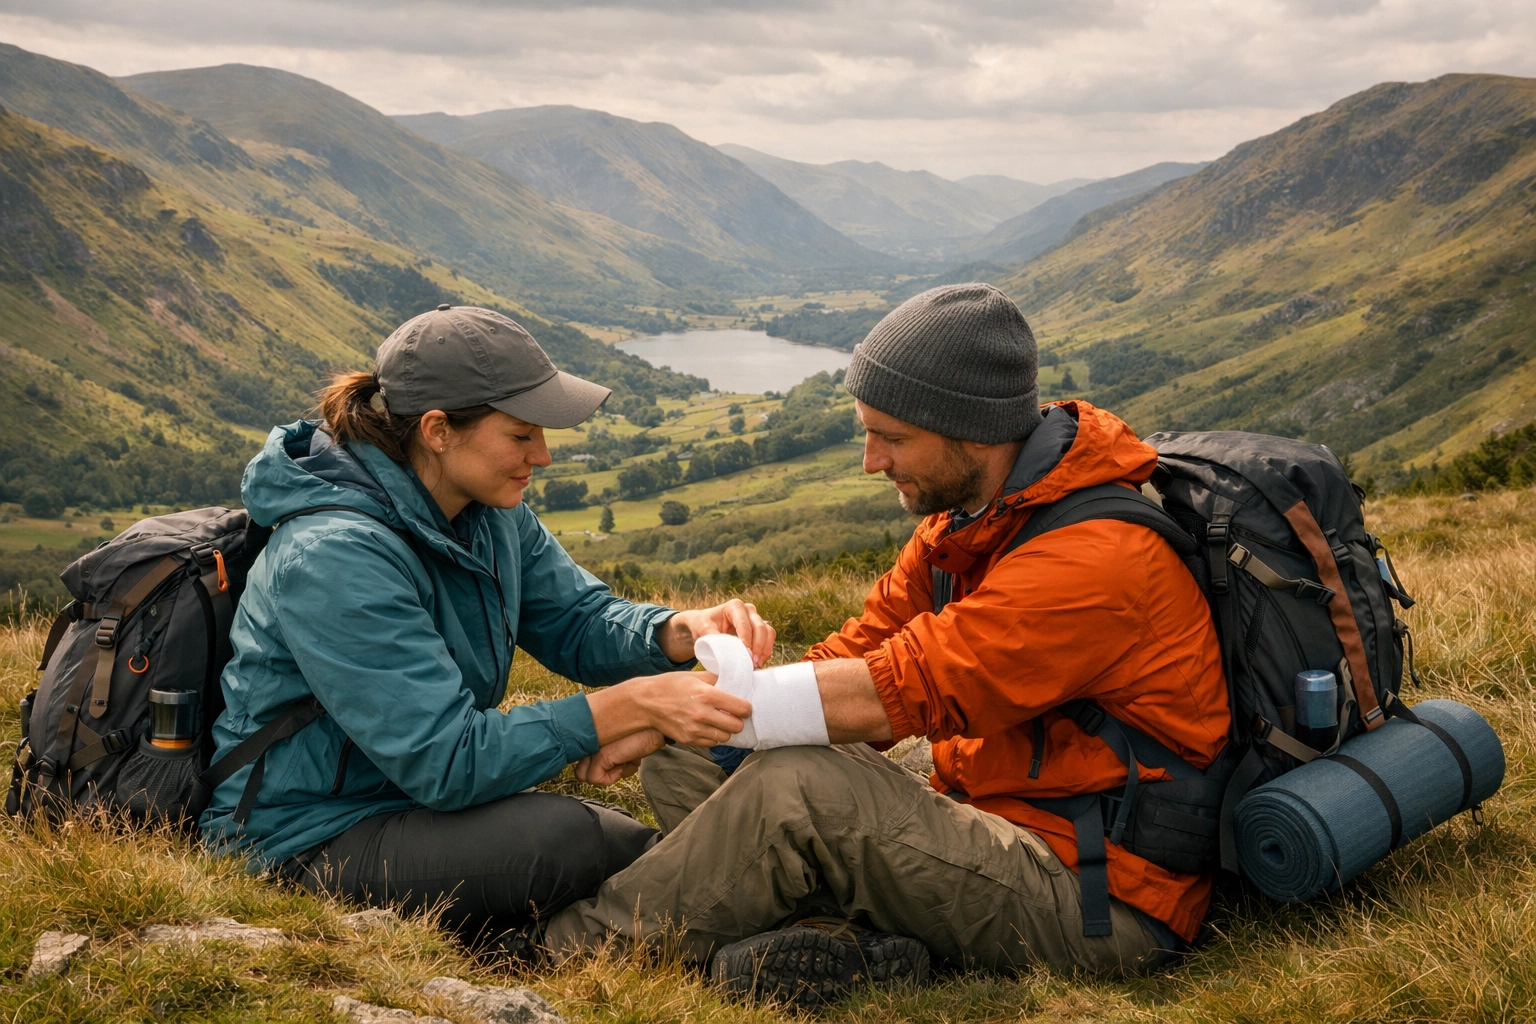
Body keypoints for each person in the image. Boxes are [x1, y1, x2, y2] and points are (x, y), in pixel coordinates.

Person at [541, 284, 1230, 1004]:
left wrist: (654, 713)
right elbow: (854, 653)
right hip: (992, 819)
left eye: (894, 438)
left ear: (974, 430)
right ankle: (840, 940)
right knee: (692, 745)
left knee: (795, 785)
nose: (872, 461)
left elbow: (888, 691)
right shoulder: (973, 523)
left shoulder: (1096, 563)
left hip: (1099, 896)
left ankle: (562, 956)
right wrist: (679, 720)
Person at [200, 304, 770, 941]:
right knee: (571, 841)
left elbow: (576, 620)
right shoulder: (333, 555)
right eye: (522, 435)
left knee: (616, 845)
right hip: (305, 837)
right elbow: (447, 759)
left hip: (410, 802)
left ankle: (703, 931)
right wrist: (631, 706)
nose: (544, 455)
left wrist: (676, 631)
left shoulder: (487, 510)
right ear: (439, 429)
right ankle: (547, 949)